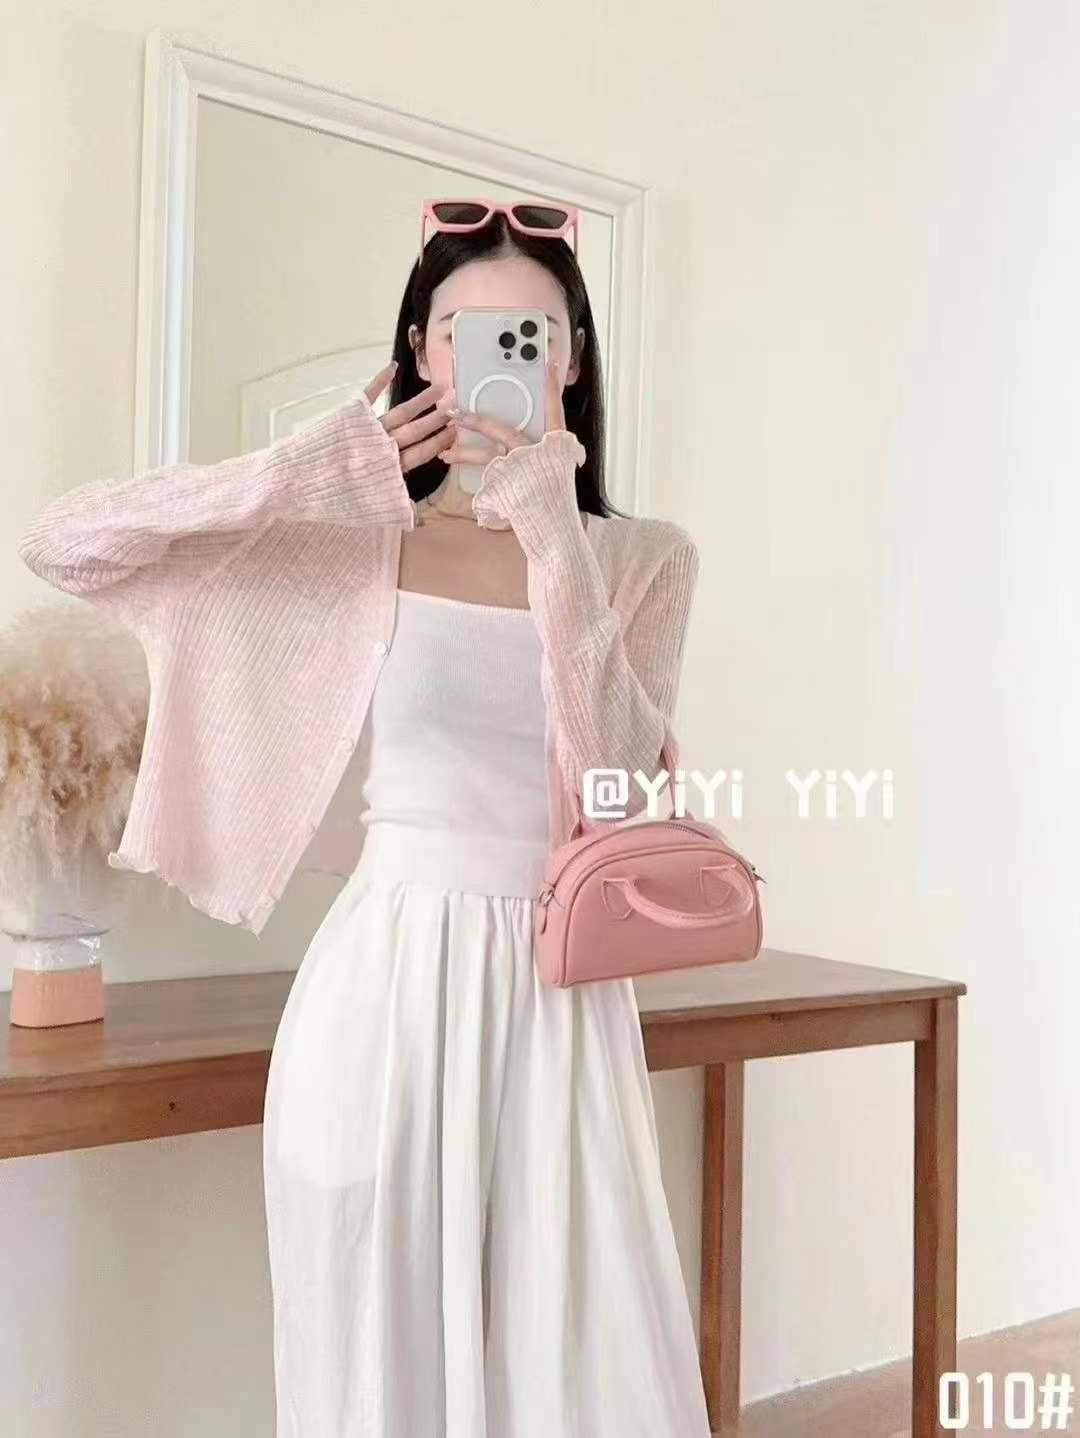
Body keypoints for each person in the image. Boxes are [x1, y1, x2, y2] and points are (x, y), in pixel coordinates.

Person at [17, 194, 709, 1437]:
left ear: (571, 361)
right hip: (382, 995)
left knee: (581, 1372)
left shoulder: (641, 559)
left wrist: (553, 532)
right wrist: (304, 472)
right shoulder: (350, 543)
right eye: (468, 331)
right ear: (421, 351)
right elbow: (65, 545)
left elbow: (621, 780)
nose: (502, 358)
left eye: (533, 334)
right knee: (372, 1367)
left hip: (561, 1007)